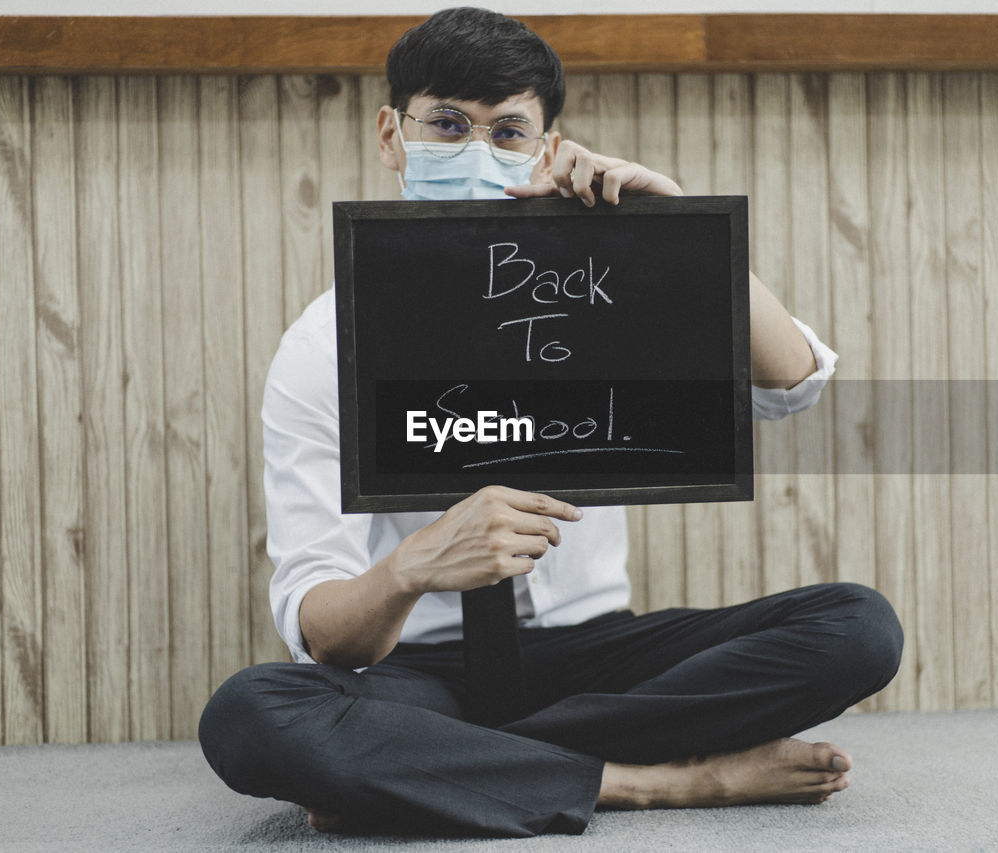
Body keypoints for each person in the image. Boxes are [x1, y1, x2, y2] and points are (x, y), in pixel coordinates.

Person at [199, 7, 903, 838]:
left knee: (858, 626)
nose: (476, 150)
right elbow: (322, 633)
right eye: (448, 125)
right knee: (250, 713)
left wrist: (677, 239)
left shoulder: (613, 287)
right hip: (421, 668)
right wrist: (414, 566)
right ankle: (660, 781)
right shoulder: (322, 347)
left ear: (546, 147)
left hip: (597, 655)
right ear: (392, 135)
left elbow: (795, 381)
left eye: (507, 132)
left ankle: (430, 767)